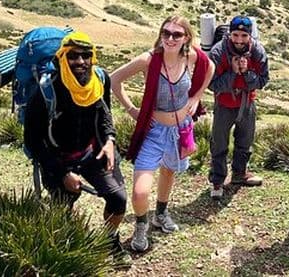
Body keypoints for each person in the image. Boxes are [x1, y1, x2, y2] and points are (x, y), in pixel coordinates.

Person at [23, 31, 129, 266]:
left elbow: (104, 114)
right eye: (73, 56)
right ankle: (68, 242)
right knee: (66, 200)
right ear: (62, 57)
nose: (80, 62)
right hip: (57, 157)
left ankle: (109, 240)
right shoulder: (44, 92)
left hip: (92, 152)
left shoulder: (99, 81)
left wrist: (110, 139)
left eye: (86, 56)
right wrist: (62, 173)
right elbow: (32, 140)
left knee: (118, 199)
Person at [111, 16, 214, 252]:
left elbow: (210, 67)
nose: (169, 38)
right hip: (154, 131)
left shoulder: (190, 55)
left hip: (181, 130)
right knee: (139, 191)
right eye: (166, 33)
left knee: (169, 171)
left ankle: (161, 213)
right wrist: (132, 109)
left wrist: (197, 97)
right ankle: (140, 225)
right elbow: (114, 80)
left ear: (186, 37)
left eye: (176, 34)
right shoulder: (148, 60)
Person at [207, 15, 270, 200]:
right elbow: (211, 84)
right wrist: (233, 74)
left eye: (243, 36)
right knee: (219, 142)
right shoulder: (218, 52)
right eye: (235, 35)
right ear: (229, 34)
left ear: (250, 36)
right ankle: (217, 180)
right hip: (224, 104)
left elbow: (263, 80)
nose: (239, 40)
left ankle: (239, 174)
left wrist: (247, 74)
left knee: (245, 140)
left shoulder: (257, 51)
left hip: (247, 102)